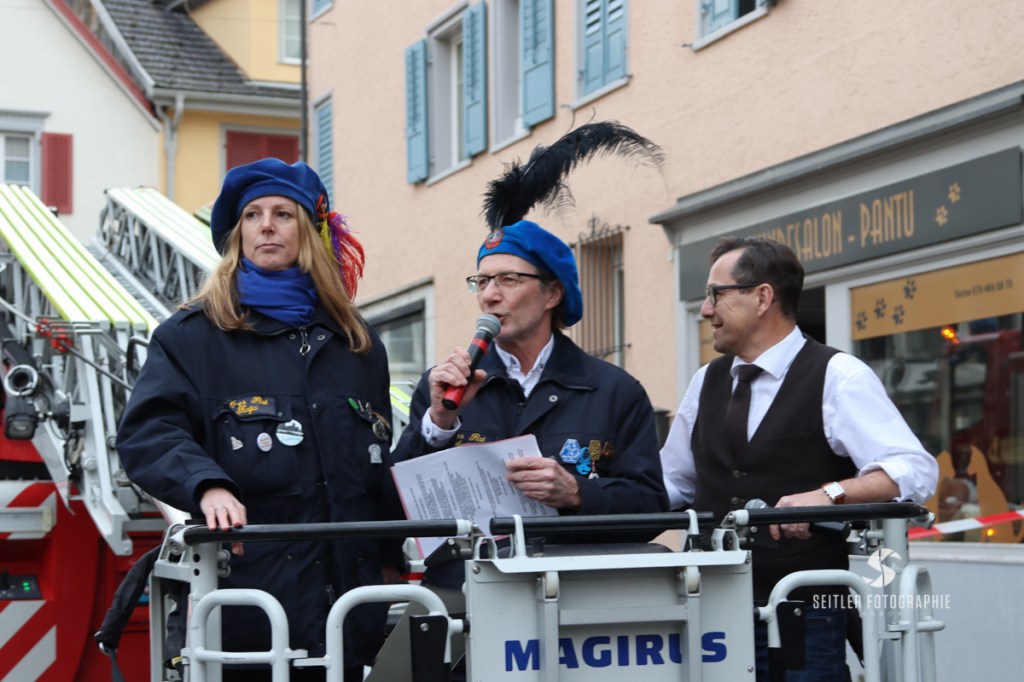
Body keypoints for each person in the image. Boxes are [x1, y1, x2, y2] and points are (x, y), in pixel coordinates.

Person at [116, 158, 405, 682]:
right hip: (244, 615)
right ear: (238, 235)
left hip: (350, 616)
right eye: (252, 215)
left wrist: (390, 559)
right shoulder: (191, 337)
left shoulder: (358, 346)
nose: (266, 226)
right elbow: (148, 433)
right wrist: (207, 485)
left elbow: (374, 470)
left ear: (310, 233)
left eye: (282, 214)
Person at [368, 219, 669, 681]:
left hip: (573, 600)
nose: (489, 295)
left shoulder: (614, 390)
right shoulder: (444, 387)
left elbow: (650, 507)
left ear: (552, 294)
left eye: (508, 279)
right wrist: (438, 424)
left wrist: (577, 494)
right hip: (461, 596)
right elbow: (393, 507)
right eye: (482, 281)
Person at [660, 236, 938, 682]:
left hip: (805, 613)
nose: (706, 310)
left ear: (762, 297)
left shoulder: (838, 376)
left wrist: (829, 495)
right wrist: (592, 502)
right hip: (712, 609)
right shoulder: (705, 381)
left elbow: (913, 468)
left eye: (716, 294)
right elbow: (674, 483)